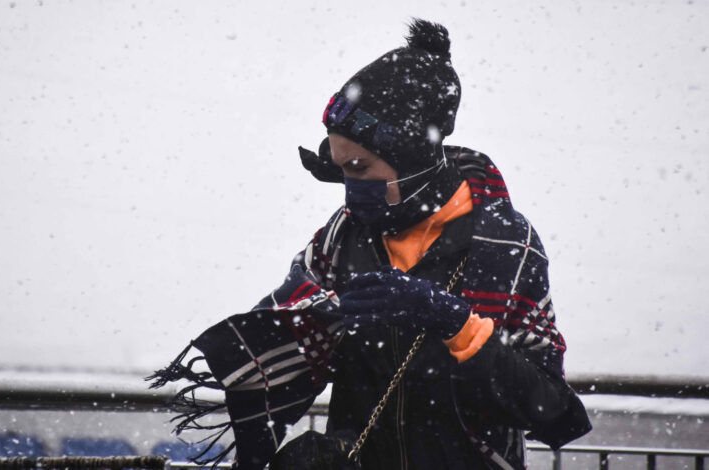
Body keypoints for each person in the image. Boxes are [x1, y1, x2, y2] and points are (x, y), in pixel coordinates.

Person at [150, 18, 591, 470]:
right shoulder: (343, 235)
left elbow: (554, 413)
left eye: (359, 167)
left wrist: (455, 323)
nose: (349, 188)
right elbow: (286, 342)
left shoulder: (507, 246)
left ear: (414, 158)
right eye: (338, 168)